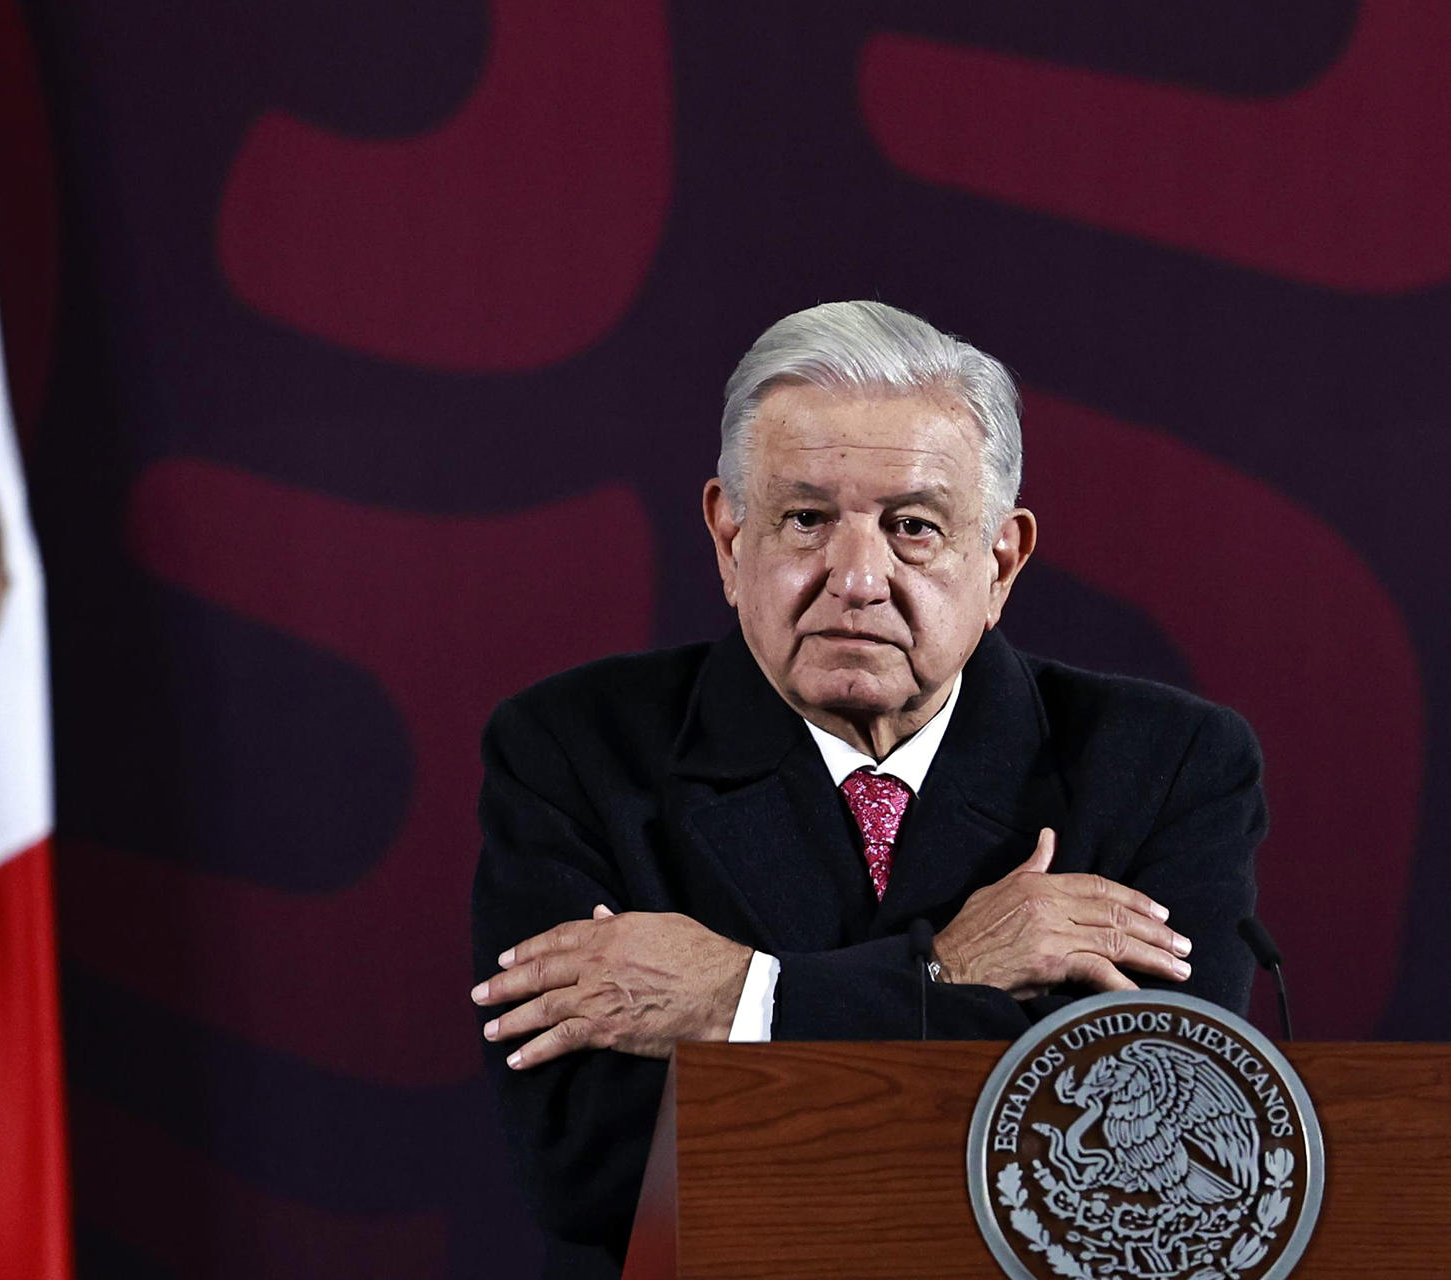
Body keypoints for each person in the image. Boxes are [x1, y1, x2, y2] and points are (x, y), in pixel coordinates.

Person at [470, 301, 1264, 1280]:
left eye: (914, 527)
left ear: (1001, 560)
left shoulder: (1164, 764)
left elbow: (1151, 1165)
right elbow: (589, 1164)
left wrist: (743, 996)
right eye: (806, 518)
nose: (856, 576)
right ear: (728, 538)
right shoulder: (573, 751)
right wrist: (954, 977)